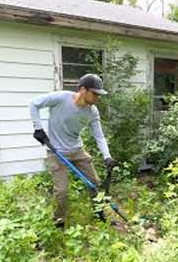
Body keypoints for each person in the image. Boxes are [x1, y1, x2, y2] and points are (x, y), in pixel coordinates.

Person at [29, 73, 116, 229]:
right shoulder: (61, 98)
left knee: (95, 183)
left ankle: (98, 211)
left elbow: (99, 136)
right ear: (83, 90)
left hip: (77, 150)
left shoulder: (92, 111)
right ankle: (59, 222)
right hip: (56, 152)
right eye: (95, 93)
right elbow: (34, 103)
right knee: (62, 191)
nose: (98, 98)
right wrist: (38, 128)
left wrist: (107, 157)